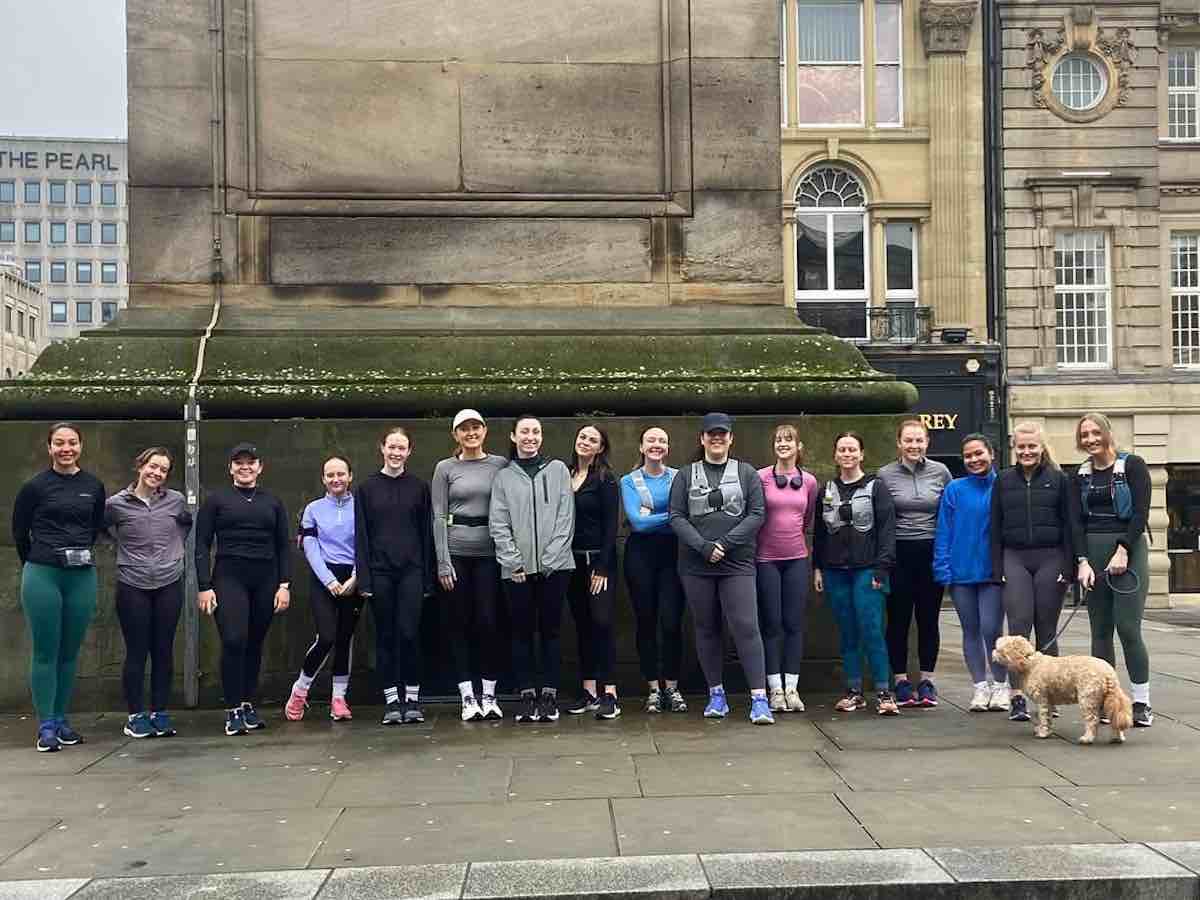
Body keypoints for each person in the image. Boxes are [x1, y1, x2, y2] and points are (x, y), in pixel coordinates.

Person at [668, 412, 772, 725]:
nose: (717, 439)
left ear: (730, 438)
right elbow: (676, 516)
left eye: (722, 434)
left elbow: (756, 514)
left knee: (745, 626)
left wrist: (724, 544)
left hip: (737, 562)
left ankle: (759, 698)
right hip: (695, 564)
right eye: (711, 434)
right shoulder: (685, 475)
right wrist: (702, 547)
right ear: (701, 439)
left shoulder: (747, 473)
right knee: (706, 627)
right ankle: (716, 693)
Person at [13, 423, 106, 752]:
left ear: (81, 446)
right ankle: (46, 725)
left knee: (69, 653)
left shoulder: (93, 485)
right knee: (45, 650)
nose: (66, 449)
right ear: (49, 447)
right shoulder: (35, 487)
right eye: (59, 443)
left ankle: (62, 720)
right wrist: (40, 559)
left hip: (80, 574)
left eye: (72, 443)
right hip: (43, 573)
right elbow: (19, 533)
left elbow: (95, 526)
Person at [195, 443, 292, 736]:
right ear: (231, 468)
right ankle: (233, 708)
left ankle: (248, 703)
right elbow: (201, 544)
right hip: (229, 577)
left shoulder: (272, 502)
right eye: (239, 463)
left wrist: (284, 584)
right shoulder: (216, 501)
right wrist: (204, 586)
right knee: (235, 639)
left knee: (254, 643)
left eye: (250, 462)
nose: (245, 467)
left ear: (260, 467)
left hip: (265, 578)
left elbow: (283, 546)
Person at [489, 415, 576, 723]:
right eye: (524, 431)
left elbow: (566, 517)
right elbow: (498, 523)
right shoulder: (503, 477)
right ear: (513, 436)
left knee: (552, 631)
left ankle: (550, 695)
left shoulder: (558, 470)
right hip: (516, 571)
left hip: (557, 568)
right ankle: (527, 695)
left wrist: (551, 559)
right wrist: (514, 561)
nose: (530, 437)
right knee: (521, 633)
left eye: (535, 432)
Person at [989, 421, 1076, 724]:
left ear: (1041, 447)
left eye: (1032, 446)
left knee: (1047, 629)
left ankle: (1050, 697)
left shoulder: (1060, 479)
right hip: (1014, 557)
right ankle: (1017, 698)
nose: (1026, 452)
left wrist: (1069, 566)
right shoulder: (1003, 480)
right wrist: (997, 567)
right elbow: (995, 526)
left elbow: (1070, 526)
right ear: (1014, 448)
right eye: (1021, 447)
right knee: (1018, 630)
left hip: (1050, 556)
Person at [1073, 412, 1154, 727]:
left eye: (1095, 432)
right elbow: (1076, 523)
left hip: (1128, 551)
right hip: (1093, 553)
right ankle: (1108, 701)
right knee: (1100, 632)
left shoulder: (1133, 465)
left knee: (1128, 628)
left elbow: (1140, 513)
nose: (1090, 439)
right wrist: (1082, 561)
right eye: (1084, 435)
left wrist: (1123, 549)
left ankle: (1141, 702)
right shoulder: (1079, 474)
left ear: (1107, 433)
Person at [105, 447, 192, 738]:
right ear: (140, 466)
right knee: (137, 651)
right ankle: (135, 715)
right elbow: (104, 531)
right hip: (132, 584)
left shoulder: (176, 500)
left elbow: (184, 527)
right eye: (153, 467)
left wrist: (172, 555)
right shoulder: (116, 503)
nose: (157, 473)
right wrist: (128, 553)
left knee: (164, 650)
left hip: (168, 582)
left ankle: (160, 712)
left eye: (163, 470)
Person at [813, 431, 899, 716]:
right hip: (835, 571)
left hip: (868, 570)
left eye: (852, 449)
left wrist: (882, 567)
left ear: (862, 454)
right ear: (835, 456)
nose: (847, 454)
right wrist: (818, 567)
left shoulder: (877, 487)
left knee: (872, 630)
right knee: (847, 633)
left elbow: (887, 532)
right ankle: (854, 692)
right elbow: (820, 534)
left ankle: (885, 692)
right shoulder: (826, 490)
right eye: (842, 450)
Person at [432, 409, 508, 722]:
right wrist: (442, 561)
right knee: (459, 623)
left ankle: (489, 694)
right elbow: (438, 514)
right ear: (456, 435)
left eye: (476, 427)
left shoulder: (500, 464)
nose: (471, 433)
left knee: (488, 622)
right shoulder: (445, 468)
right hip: (457, 553)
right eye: (464, 429)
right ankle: (467, 696)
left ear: (485, 431)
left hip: (490, 554)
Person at [355, 427, 435, 726]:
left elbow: (427, 535)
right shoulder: (366, 489)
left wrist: (428, 578)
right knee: (386, 637)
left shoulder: (419, 487)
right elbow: (361, 536)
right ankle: (391, 700)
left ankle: (412, 697)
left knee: (409, 634)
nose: (396, 453)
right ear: (382, 448)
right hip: (380, 573)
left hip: (412, 571)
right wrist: (364, 579)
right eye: (392, 447)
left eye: (402, 448)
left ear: (409, 451)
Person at [877, 419, 952, 707]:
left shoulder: (940, 472)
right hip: (898, 554)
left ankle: (927, 681)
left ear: (927, 442)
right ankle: (901, 681)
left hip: (931, 552)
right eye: (908, 440)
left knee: (928, 619)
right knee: (897, 620)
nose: (914, 445)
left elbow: (948, 513)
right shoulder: (884, 475)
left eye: (919, 440)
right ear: (899, 443)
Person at [285, 455, 364, 722]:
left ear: (350, 476)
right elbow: (310, 546)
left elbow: (366, 544)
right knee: (327, 636)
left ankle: (339, 699)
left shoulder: (361, 507)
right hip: (324, 579)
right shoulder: (313, 509)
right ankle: (300, 690)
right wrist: (329, 580)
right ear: (323, 479)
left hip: (353, 578)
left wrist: (355, 576)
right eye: (330, 475)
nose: (336, 479)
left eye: (341, 474)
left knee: (344, 639)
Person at [933, 433, 1008, 712]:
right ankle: (979, 686)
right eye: (968, 456)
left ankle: (1001, 685)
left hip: (992, 573)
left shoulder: (1004, 485)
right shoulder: (954, 489)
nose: (974, 460)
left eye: (979, 453)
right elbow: (944, 531)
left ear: (992, 453)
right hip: (961, 572)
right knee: (970, 630)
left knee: (991, 629)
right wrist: (942, 568)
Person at [620, 426, 688, 714]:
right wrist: (673, 516)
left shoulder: (679, 477)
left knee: (672, 622)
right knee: (645, 621)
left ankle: (672, 687)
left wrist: (656, 516)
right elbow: (638, 522)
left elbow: (688, 515)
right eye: (651, 440)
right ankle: (653, 688)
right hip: (640, 556)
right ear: (641, 446)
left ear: (668, 447)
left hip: (674, 555)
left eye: (662, 440)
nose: (656, 445)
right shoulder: (629, 480)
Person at [756, 423, 818, 713]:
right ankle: (775, 690)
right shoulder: (761, 478)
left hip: (796, 558)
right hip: (766, 560)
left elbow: (807, 519)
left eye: (789, 440)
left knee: (794, 624)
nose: (783, 444)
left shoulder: (809, 481)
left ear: (798, 447)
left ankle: (792, 688)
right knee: (772, 624)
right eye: (779, 440)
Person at [565, 424, 621, 719]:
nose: (585, 442)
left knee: (602, 623)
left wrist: (601, 567)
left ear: (601, 448)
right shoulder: (564, 475)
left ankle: (609, 692)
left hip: (599, 562)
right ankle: (588, 690)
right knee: (582, 625)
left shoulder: (606, 479)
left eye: (593, 440)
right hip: (570, 562)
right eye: (582, 436)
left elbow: (612, 527)